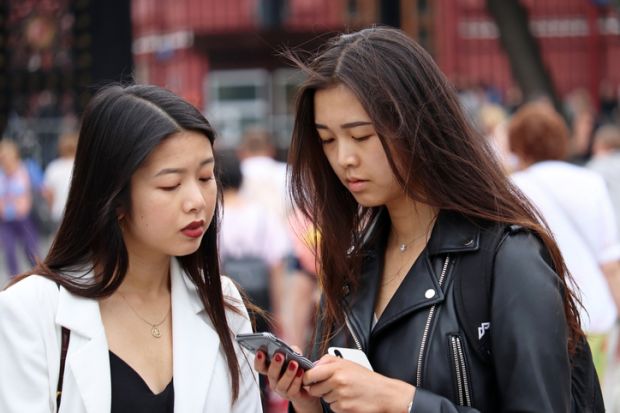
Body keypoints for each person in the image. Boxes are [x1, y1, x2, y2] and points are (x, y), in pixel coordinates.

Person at [255, 27, 589, 412]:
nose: (343, 158)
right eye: (328, 140)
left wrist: (403, 402)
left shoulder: (507, 258)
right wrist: (308, 398)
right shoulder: (352, 263)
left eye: (361, 136)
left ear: (417, 124)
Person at [0, 84, 262, 412]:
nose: (197, 201)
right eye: (171, 184)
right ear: (115, 196)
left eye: (206, 177)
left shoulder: (223, 303)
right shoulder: (29, 310)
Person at [508, 103, 620, 380]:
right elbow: (611, 262)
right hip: (595, 314)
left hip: (539, 318)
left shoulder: (513, 187)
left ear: (518, 144)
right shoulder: (591, 181)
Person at [0, 139, 39, 277]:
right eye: (2, 158)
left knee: (31, 249)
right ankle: (14, 278)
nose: (5, 161)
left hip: (24, 217)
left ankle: (39, 273)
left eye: (7, 157)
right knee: (9, 250)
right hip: (5, 219)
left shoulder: (26, 169)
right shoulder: (1, 174)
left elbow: (40, 187)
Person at [43, 131, 78, 230]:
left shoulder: (53, 167)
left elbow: (49, 193)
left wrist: (51, 209)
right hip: (77, 211)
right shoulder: (83, 167)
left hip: (59, 211)